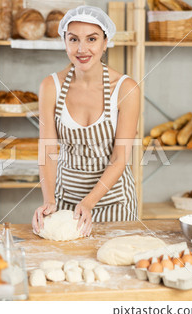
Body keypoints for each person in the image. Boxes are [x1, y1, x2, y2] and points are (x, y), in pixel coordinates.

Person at [32, 5, 140, 237]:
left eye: (91, 39)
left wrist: (89, 202)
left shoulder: (125, 89)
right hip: (65, 205)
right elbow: (47, 149)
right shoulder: (51, 86)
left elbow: (120, 158)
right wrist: (49, 200)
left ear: (105, 42)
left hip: (115, 205)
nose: (82, 49)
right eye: (73, 39)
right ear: (65, 42)